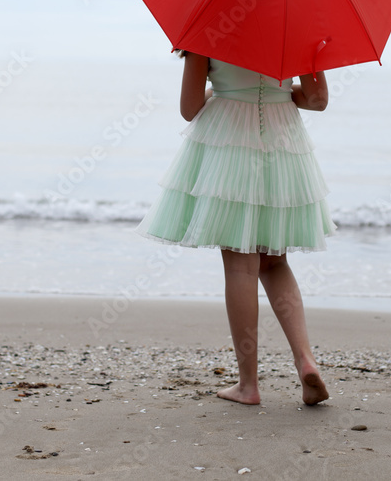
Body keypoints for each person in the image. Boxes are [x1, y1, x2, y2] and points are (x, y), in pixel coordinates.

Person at [136, 50, 335, 406]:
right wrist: (279, 93)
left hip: (229, 141)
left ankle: (248, 385)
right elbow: (317, 100)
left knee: (241, 266)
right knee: (275, 261)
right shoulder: (298, 26)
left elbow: (190, 108)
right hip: (283, 140)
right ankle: (305, 359)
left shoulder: (206, 29)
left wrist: (222, 92)